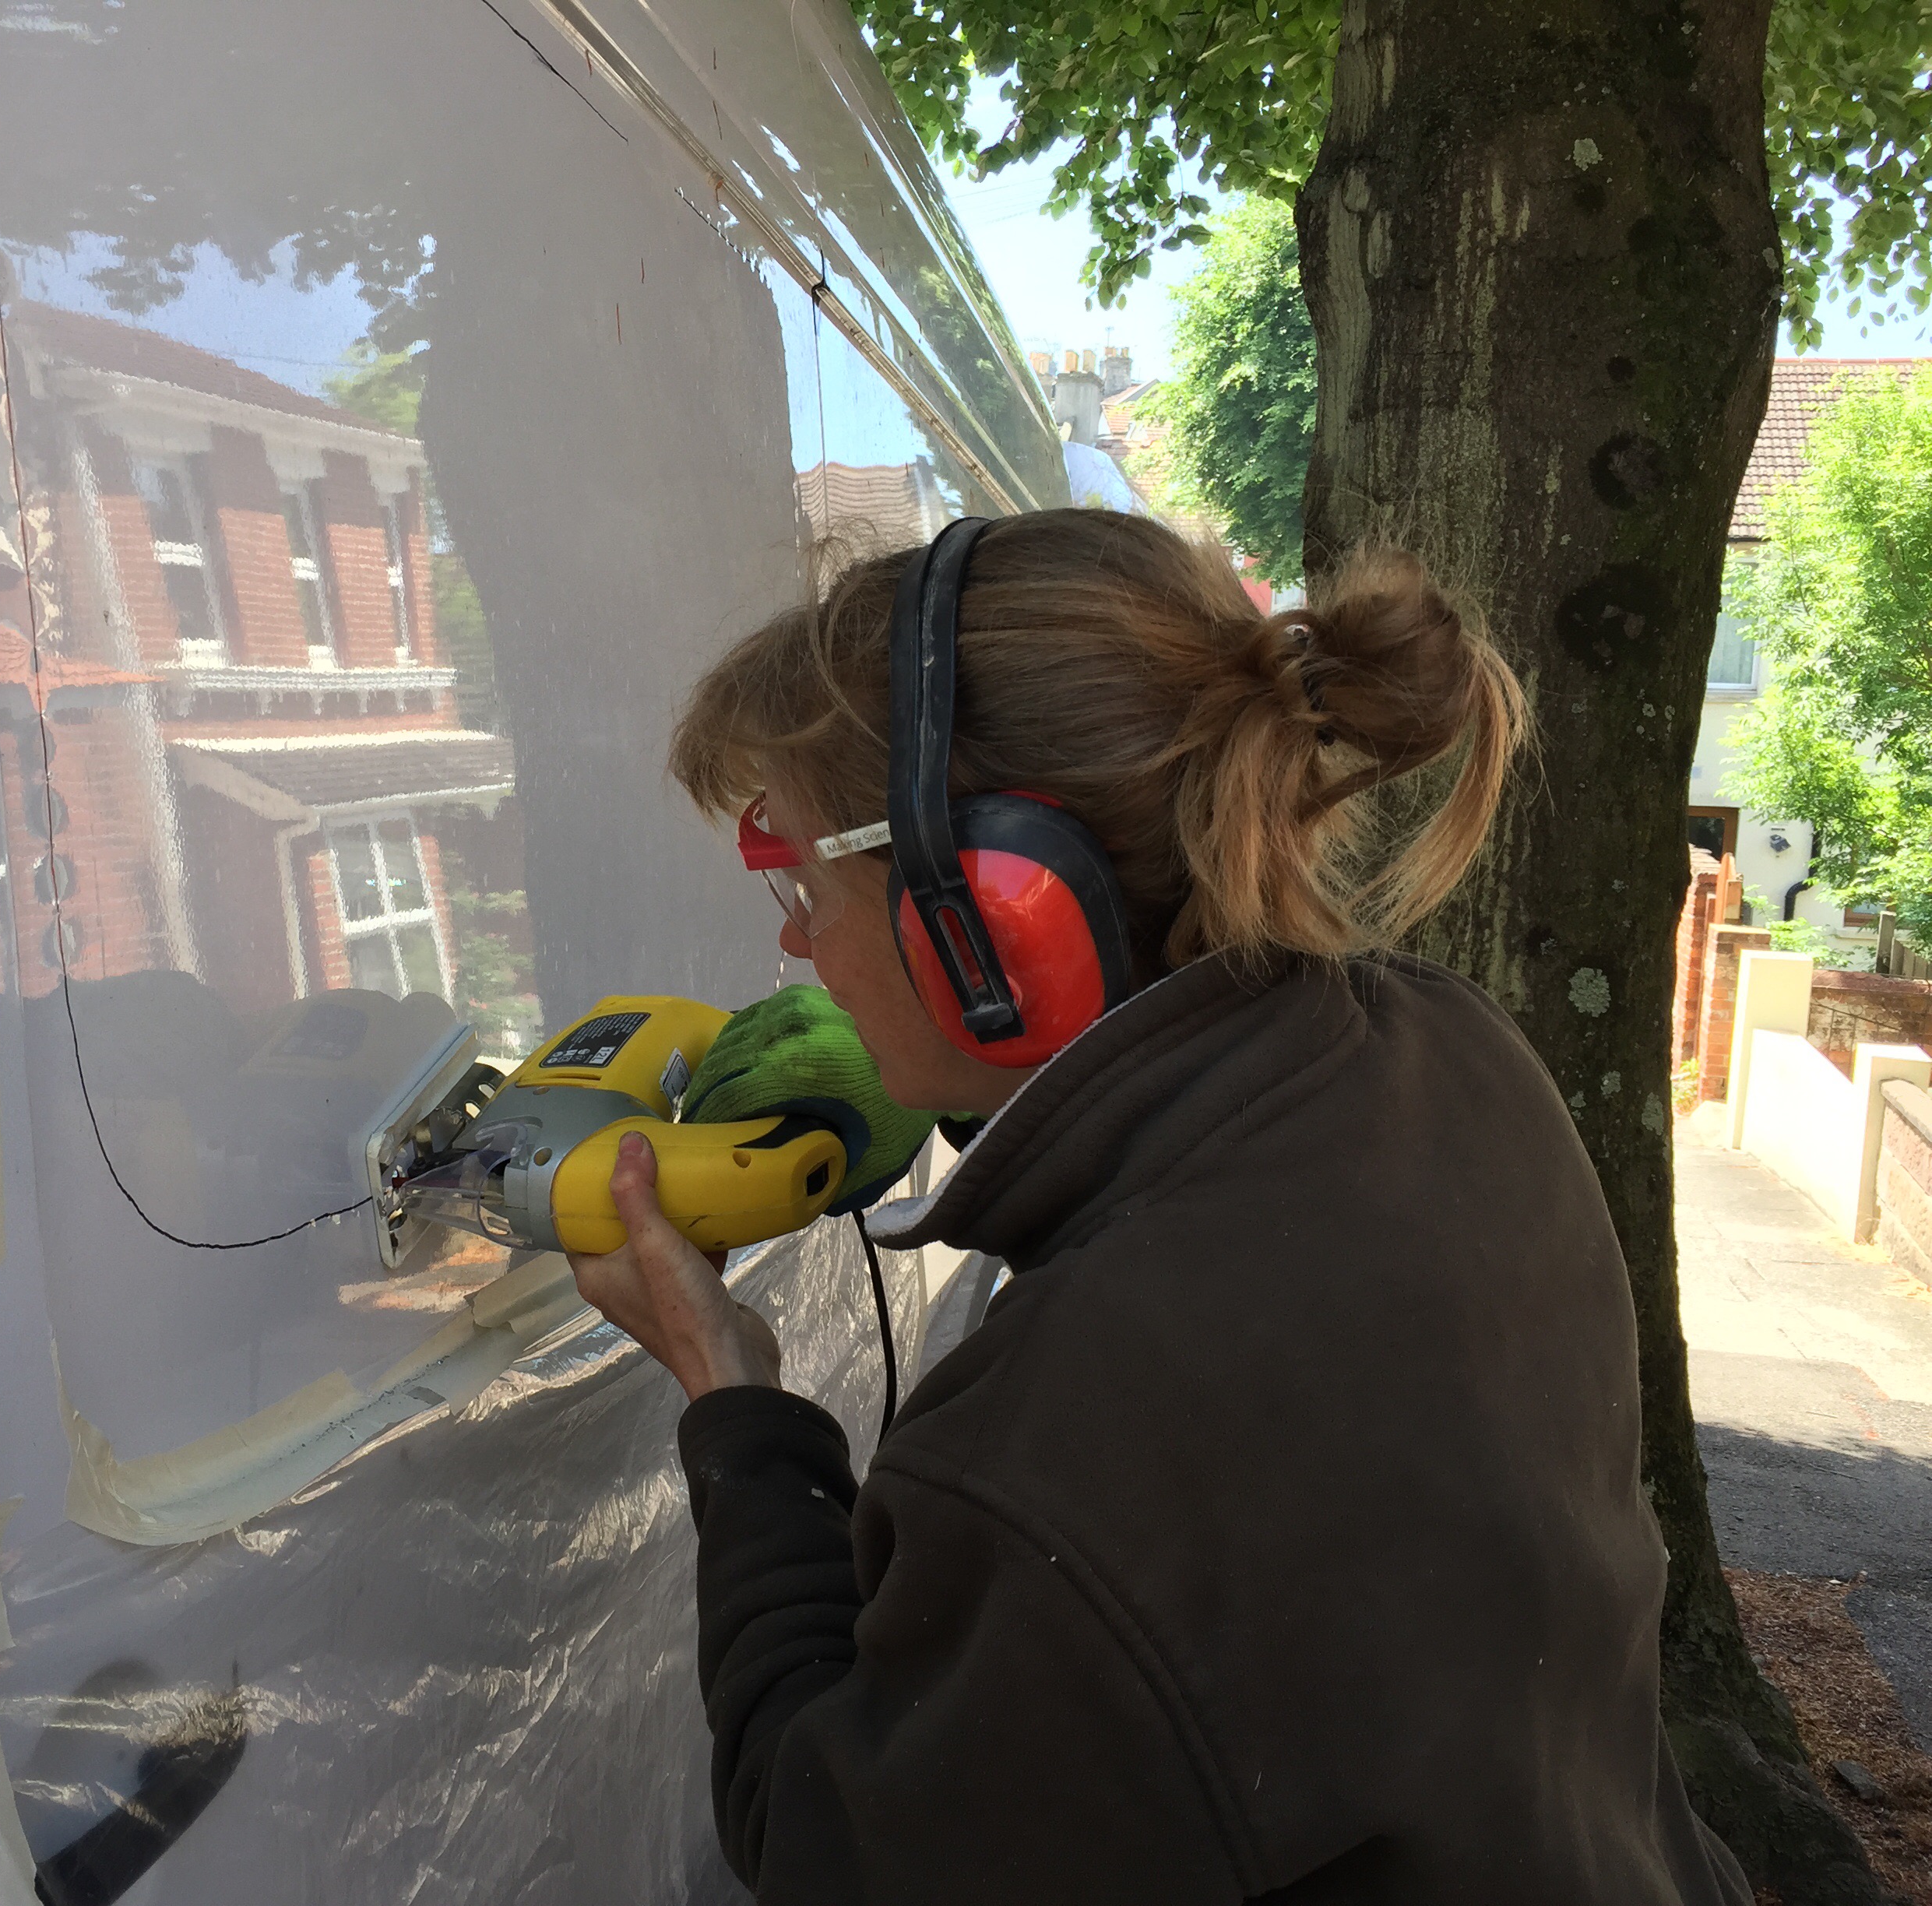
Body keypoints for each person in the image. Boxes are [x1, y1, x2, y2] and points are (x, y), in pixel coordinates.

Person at [567, 510, 1752, 1904]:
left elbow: (826, 1850)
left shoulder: (1061, 1435)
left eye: (803, 880)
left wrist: (736, 1402)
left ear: (994, 916)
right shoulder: (1451, 1052)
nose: (792, 938)